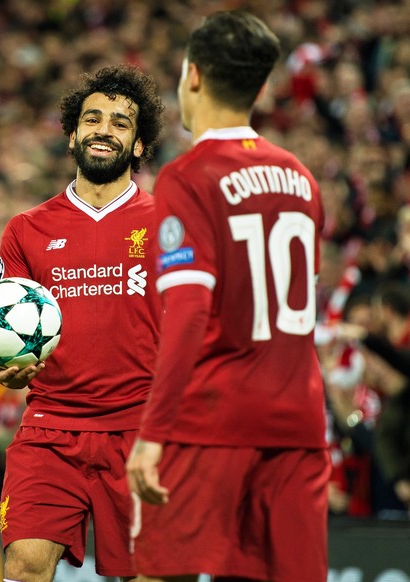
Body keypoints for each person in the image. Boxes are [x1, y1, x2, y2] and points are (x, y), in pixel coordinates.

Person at [126, 11, 330, 582]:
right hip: (297, 423)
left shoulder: (188, 177)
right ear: (261, 87)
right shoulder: (301, 179)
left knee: (160, 575)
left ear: (192, 76)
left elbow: (189, 310)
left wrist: (153, 433)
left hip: (211, 421)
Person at [0, 64, 164, 582]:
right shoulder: (26, 229)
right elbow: (4, 322)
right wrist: (4, 369)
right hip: (50, 426)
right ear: (73, 134)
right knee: (25, 564)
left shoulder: (169, 222)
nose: (104, 129)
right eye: (92, 119)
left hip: (142, 428)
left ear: (140, 145)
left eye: (120, 123)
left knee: (149, 573)